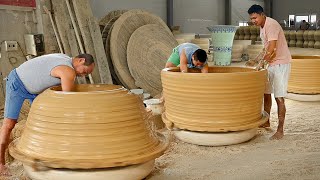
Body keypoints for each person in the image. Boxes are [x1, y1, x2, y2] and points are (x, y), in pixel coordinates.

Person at [0, 53, 95, 175]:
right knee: (9, 125)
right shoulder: (68, 71)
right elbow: (68, 102)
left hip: (34, 90)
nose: (83, 76)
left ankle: (45, 156)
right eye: (85, 72)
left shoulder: (65, 58)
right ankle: (1, 164)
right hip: (18, 83)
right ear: (81, 60)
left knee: (45, 122)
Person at [248, 5, 291, 140]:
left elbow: (272, 50)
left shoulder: (271, 25)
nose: (253, 21)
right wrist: (254, 60)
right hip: (272, 64)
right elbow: (265, 48)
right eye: (251, 19)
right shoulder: (262, 27)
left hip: (280, 63)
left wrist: (260, 64)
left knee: (279, 97)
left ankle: (280, 130)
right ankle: (266, 122)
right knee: (266, 93)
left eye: (255, 18)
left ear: (262, 14)